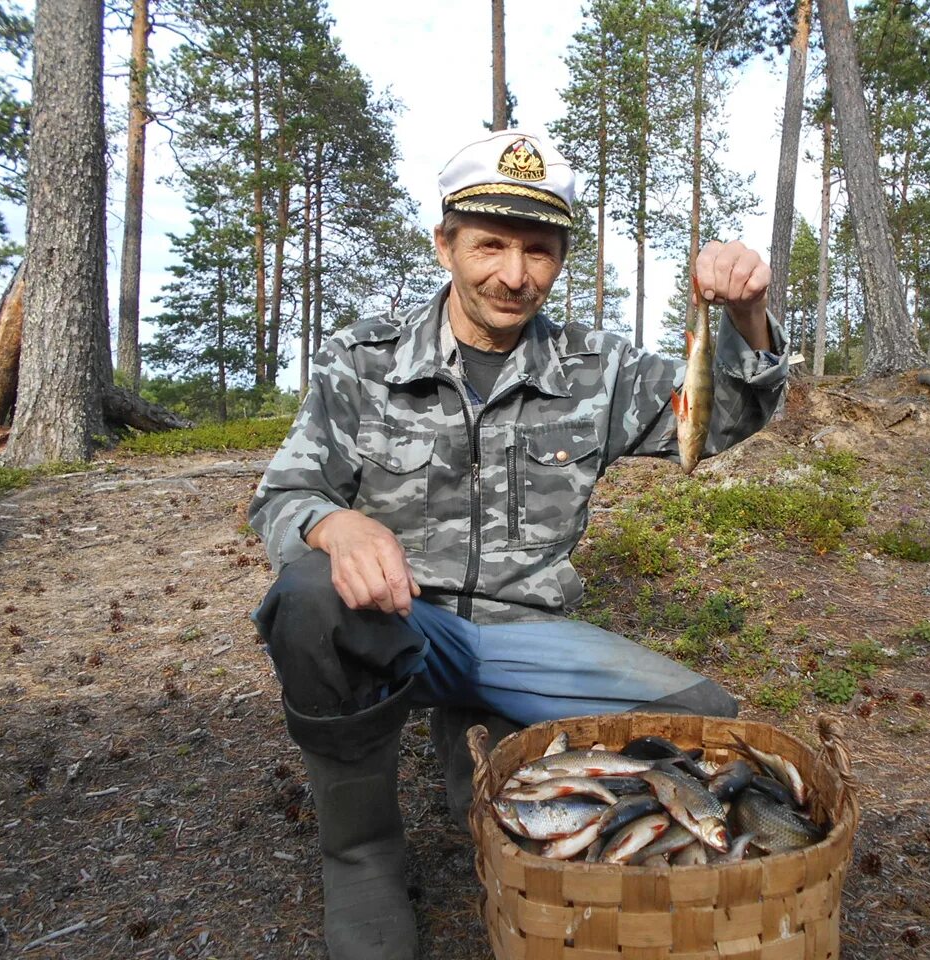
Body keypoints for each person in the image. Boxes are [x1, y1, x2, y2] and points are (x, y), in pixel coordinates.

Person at [248, 129, 788, 960]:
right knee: (309, 599)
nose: (513, 274)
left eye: (538, 250)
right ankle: (359, 854)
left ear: (562, 258)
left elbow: (717, 419)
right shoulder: (364, 359)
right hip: (401, 624)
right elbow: (284, 493)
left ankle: (489, 730)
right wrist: (335, 522)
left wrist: (745, 312)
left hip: (529, 635)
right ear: (445, 244)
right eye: (490, 245)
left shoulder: (595, 368)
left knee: (704, 725)